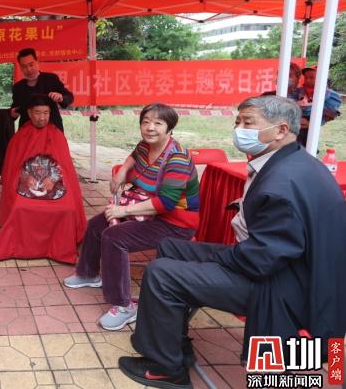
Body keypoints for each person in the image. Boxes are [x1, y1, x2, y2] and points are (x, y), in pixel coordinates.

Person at [118, 95, 346, 389]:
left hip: (281, 286)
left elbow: (259, 260)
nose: (239, 130)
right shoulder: (293, 161)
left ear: (280, 130)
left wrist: (218, 257)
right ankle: (173, 341)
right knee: (171, 247)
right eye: (238, 121)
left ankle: (166, 369)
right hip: (277, 264)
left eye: (248, 123)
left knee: (161, 273)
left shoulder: (281, 183)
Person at [63, 103, 199, 331]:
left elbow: (166, 203)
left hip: (175, 223)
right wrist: (122, 172)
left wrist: (123, 211)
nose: (150, 128)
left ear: (169, 128)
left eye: (158, 123)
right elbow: (134, 156)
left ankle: (124, 305)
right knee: (97, 224)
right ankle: (88, 274)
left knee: (115, 237)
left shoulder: (178, 159)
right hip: (145, 210)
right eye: (146, 122)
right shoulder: (145, 145)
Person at [0, 95, 86, 264]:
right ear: (30, 113)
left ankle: (59, 248)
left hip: (54, 184)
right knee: (20, 207)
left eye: (46, 113)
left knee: (67, 209)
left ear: (50, 113)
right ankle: (24, 247)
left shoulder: (57, 135)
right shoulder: (20, 137)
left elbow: (65, 167)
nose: (42, 118)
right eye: (37, 113)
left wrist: (53, 178)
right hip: (27, 184)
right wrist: (25, 177)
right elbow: (13, 167)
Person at [10, 47, 74, 132]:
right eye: (24, 66)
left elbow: (69, 97)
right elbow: (14, 109)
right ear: (20, 68)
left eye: (31, 64)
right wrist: (13, 114)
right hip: (27, 132)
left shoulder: (51, 79)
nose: (29, 69)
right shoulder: (18, 87)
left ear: (37, 62)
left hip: (52, 130)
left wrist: (61, 97)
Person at [289, 66, 341, 146]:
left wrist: (312, 123)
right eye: (306, 77)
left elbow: (330, 113)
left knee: (309, 143)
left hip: (313, 122)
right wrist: (297, 104)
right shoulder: (299, 91)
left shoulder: (330, 94)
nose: (307, 80)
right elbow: (289, 101)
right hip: (297, 121)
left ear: (322, 79)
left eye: (311, 78)